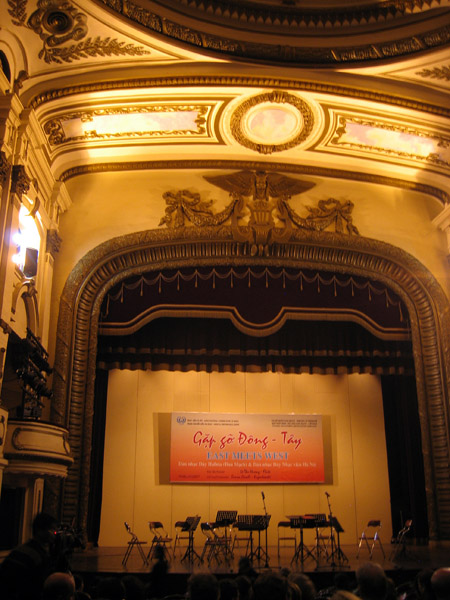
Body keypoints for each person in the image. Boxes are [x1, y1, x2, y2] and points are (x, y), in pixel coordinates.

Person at [0, 512, 59, 600]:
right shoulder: (37, 556)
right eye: (52, 530)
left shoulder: (20, 549)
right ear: (39, 531)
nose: (55, 534)